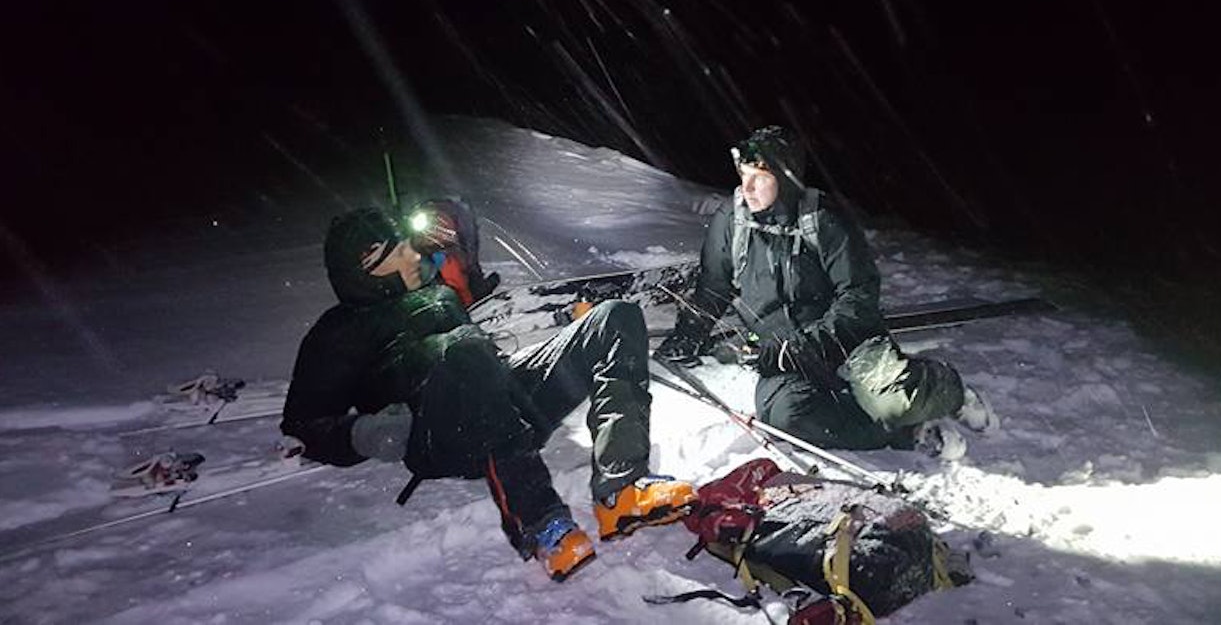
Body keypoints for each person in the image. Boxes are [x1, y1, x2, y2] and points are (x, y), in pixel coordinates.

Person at [281, 207, 696, 581]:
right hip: (441, 437)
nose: (413, 256)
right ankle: (541, 523)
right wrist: (367, 433)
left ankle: (621, 489)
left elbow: (485, 359)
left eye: (410, 246)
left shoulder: (438, 295)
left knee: (613, 317)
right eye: (400, 252)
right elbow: (303, 423)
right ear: (367, 268)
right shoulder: (337, 332)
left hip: (504, 407)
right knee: (464, 348)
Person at [656, 126, 993, 455]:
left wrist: (810, 344)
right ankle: (906, 434)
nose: (747, 186)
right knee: (788, 420)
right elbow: (713, 285)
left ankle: (949, 391)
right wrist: (688, 336)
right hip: (783, 356)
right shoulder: (732, 221)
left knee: (893, 402)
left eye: (760, 177)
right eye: (743, 174)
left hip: (849, 343)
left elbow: (859, 297)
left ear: (785, 179)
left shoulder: (823, 220)